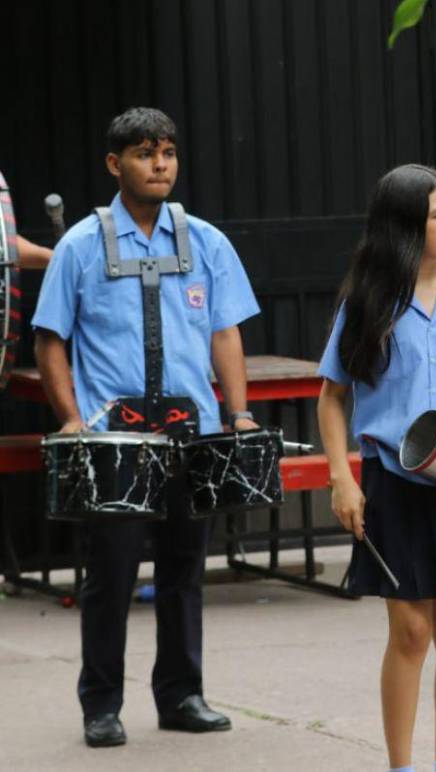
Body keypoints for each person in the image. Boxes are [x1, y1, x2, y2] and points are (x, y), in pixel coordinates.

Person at [31, 107, 259, 748]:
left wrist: (236, 414)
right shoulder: (79, 245)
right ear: (115, 164)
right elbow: (51, 340)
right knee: (111, 575)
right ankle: (101, 706)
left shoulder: (207, 241)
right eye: (143, 153)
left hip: (191, 429)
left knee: (187, 571)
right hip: (115, 440)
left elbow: (225, 333)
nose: (159, 164)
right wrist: (72, 420)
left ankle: (182, 694)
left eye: (167, 152)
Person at [317, 164, 436, 772]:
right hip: (392, 484)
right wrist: (341, 478)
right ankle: (401, 765)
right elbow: (331, 395)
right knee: (410, 633)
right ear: (404, 226)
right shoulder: (368, 301)